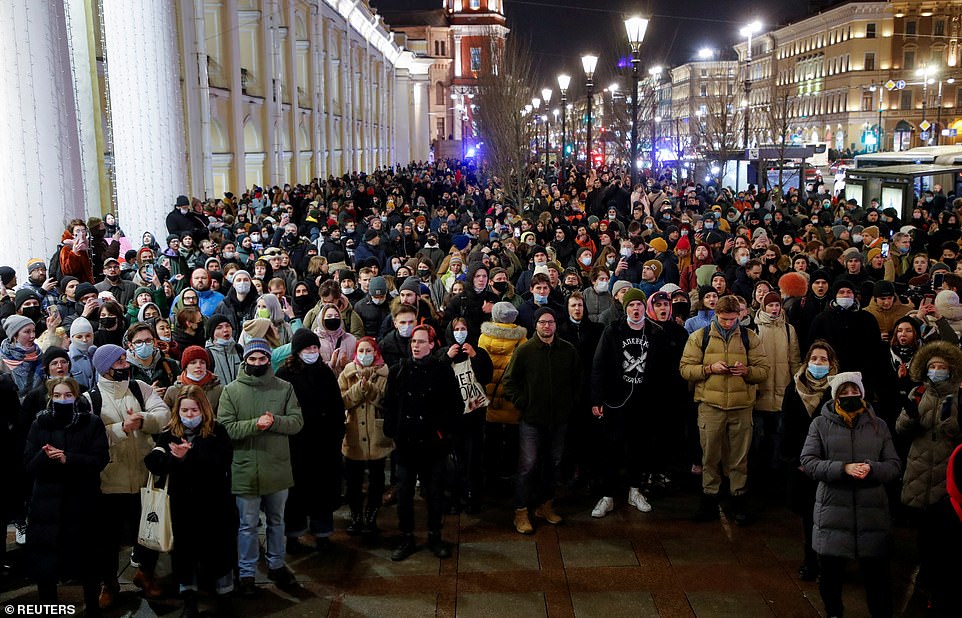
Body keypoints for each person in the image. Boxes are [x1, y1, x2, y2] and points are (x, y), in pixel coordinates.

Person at [801, 372, 901, 618]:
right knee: (831, 577)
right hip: (833, 512)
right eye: (844, 393)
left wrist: (873, 468)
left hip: (872, 515)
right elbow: (809, 461)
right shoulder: (820, 424)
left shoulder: (879, 426)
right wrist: (842, 468)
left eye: (854, 391)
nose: (850, 396)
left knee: (878, 579)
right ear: (835, 396)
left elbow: (894, 465)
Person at [86, 344, 171, 608]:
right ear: (105, 368)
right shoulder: (92, 399)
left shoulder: (140, 388)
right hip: (111, 480)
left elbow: (164, 415)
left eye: (125, 359)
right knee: (108, 540)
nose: (125, 364)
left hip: (144, 476)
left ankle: (144, 574)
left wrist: (143, 420)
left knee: (149, 531)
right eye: (119, 361)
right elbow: (91, 436)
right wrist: (122, 428)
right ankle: (109, 583)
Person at [217, 338, 303, 596]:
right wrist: (256, 425)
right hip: (245, 468)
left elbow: (297, 422)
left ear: (268, 360)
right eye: (252, 359)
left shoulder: (284, 388)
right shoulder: (231, 391)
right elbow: (225, 428)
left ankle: (276, 564)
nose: (257, 363)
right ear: (245, 361)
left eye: (262, 359)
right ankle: (246, 573)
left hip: (276, 466)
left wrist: (274, 421)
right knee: (247, 524)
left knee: (277, 521)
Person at [679, 295, 771, 525]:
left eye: (732, 319)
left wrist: (747, 371)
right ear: (716, 316)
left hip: (741, 406)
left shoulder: (750, 338)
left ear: (739, 316)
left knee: (739, 458)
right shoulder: (700, 337)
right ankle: (709, 499)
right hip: (710, 405)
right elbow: (685, 369)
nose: (729, 323)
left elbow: (764, 370)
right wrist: (709, 368)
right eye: (724, 319)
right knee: (710, 455)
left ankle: (738, 499)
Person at [144, 386, 235, 617]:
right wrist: (174, 459)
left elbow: (221, 461)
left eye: (194, 410)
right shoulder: (170, 433)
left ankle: (224, 595)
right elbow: (153, 460)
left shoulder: (217, 432)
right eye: (185, 409)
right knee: (185, 554)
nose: (190, 414)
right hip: (183, 505)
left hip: (214, 505)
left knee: (218, 551)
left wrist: (190, 455)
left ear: (203, 410)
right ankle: (189, 597)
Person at [23, 377, 108, 611]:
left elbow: (100, 459)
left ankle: (92, 608)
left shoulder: (91, 423)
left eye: (68, 395)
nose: (63, 400)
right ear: (50, 397)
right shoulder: (39, 425)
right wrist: (44, 455)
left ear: (76, 397)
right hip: (47, 508)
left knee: (88, 562)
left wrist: (68, 458)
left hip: (82, 503)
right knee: (46, 566)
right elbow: (29, 466)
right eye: (58, 396)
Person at [589, 288, 673, 518]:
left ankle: (634, 491)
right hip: (615, 401)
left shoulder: (656, 332)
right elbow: (599, 365)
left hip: (644, 403)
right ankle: (607, 495)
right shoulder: (612, 331)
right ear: (625, 308)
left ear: (645, 307)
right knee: (611, 449)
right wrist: (597, 398)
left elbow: (664, 371)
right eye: (631, 305)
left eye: (638, 305)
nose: (635, 309)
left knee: (639, 447)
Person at [383, 324, 463, 561]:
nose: (415, 345)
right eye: (413, 342)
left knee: (434, 493)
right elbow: (390, 404)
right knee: (405, 493)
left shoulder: (442, 371)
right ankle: (406, 535)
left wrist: (445, 434)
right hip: (407, 444)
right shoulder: (400, 370)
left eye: (420, 342)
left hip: (433, 443)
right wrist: (394, 430)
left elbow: (454, 406)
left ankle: (434, 535)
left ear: (431, 344)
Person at [503, 307, 581, 535]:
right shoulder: (525, 351)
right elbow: (509, 381)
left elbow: (578, 380)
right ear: (535, 325)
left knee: (553, 463)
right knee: (527, 466)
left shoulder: (567, 350)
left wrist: (570, 403)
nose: (547, 326)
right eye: (542, 322)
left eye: (551, 322)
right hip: (532, 419)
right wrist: (523, 401)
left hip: (559, 419)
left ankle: (546, 506)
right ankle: (521, 511)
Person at [896, 341, 962, 603]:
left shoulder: (958, 397)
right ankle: (924, 577)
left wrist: (951, 422)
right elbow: (901, 429)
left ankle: (940, 580)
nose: (937, 371)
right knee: (923, 532)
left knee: (946, 532)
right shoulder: (919, 392)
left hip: (947, 470)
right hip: (920, 467)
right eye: (933, 366)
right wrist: (911, 417)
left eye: (942, 367)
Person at [276, 329, 345, 552]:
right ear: (297, 351)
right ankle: (294, 536)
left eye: (315, 348)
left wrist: (337, 434)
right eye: (308, 349)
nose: (312, 352)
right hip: (297, 444)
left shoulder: (324, 373)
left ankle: (322, 533)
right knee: (295, 494)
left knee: (322, 491)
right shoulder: (285, 374)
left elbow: (336, 406)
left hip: (324, 444)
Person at [779, 340, 839, 582]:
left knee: (830, 517)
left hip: (829, 464)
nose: (818, 363)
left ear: (832, 364)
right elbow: (787, 428)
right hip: (801, 463)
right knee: (808, 517)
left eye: (823, 360)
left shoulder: (838, 390)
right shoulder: (793, 389)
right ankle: (810, 561)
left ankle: (830, 562)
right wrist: (795, 460)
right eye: (814, 359)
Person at [339, 337, 393, 537]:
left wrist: (369, 390)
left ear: (375, 352)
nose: (364, 355)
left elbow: (387, 401)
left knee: (377, 480)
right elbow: (342, 401)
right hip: (353, 434)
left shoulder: (385, 374)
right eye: (361, 351)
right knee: (353, 481)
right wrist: (358, 389)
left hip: (377, 435)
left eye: (368, 351)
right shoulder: (347, 373)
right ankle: (356, 515)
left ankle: (371, 515)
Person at [163, 345, 223, 415]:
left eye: (202, 362)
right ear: (186, 366)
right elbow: (166, 417)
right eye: (193, 363)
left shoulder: (219, 390)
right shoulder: (173, 391)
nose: (198, 366)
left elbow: (222, 416)